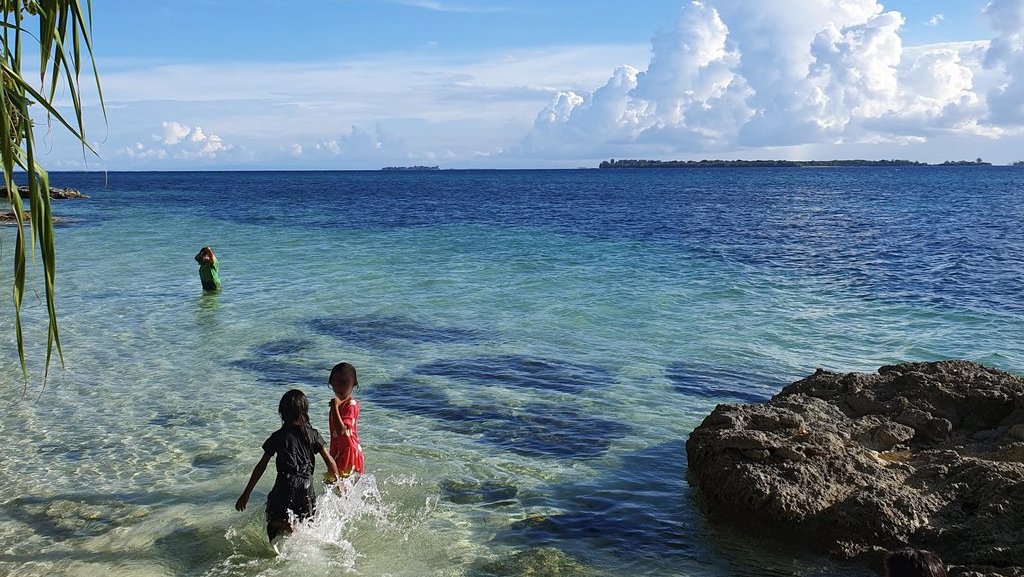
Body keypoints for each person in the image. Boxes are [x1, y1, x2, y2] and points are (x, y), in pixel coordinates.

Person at [235, 389, 340, 541]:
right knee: (308, 524)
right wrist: (338, 482)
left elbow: (261, 466)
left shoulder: (278, 436)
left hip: (285, 484)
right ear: (305, 412)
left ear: (282, 413)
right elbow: (329, 460)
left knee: (272, 517)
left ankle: (285, 525)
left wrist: (246, 493)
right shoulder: (313, 434)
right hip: (307, 487)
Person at [328, 362, 365, 478]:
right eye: (336, 382)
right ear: (331, 383)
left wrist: (334, 407)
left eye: (344, 382)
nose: (340, 386)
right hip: (338, 451)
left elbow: (341, 431)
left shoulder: (351, 404)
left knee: (342, 488)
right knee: (336, 488)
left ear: (354, 384)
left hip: (349, 453)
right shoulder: (339, 405)